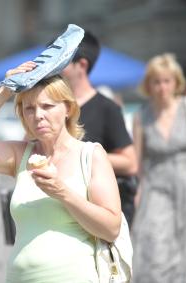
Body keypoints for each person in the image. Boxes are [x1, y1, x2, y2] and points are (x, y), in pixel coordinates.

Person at [0, 62, 122, 283]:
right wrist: (5, 90)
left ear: (68, 109)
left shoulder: (91, 155)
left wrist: (62, 192)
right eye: (29, 109)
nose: (38, 115)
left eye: (47, 106)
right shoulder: (20, 154)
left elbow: (111, 228)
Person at [131, 53, 186, 282]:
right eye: (156, 81)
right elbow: (137, 162)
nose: (162, 87)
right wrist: (138, 194)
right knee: (152, 249)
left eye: (167, 81)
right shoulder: (142, 116)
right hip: (156, 190)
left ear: (176, 82)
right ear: (148, 85)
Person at [61, 31, 138, 226]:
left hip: (93, 212)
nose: (54, 66)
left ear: (82, 65)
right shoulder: (50, 107)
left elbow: (130, 162)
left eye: (62, 59)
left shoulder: (106, 107)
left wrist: (81, 154)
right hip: (57, 209)